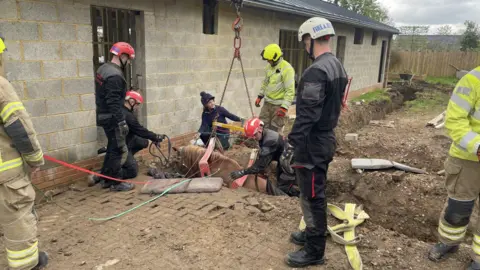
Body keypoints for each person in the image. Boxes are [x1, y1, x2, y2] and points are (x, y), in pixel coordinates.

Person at [279, 17, 348, 267]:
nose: (304, 47)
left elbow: (308, 113)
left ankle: (315, 250)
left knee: (311, 196)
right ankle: (311, 232)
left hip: (312, 143)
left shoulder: (316, 71)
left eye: (304, 42)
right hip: (325, 138)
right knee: (313, 192)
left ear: (309, 39)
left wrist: (291, 143)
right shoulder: (337, 65)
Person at [0, 35, 49, 269]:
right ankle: (28, 265)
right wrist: (35, 160)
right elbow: (19, 128)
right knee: (18, 222)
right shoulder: (0, 86)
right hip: (6, 179)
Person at [428, 66, 480, 270]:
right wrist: (477, 145)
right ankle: (448, 243)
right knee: (458, 207)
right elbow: (455, 119)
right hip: (467, 158)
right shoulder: (473, 80)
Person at [89, 91, 166, 186]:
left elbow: (139, 131)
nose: (138, 107)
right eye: (138, 104)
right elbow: (140, 130)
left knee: (144, 142)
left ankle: (126, 157)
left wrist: (152, 138)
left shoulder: (122, 110)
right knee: (133, 171)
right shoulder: (127, 116)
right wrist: (156, 137)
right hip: (121, 146)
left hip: (126, 140)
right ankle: (107, 175)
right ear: (132, 101)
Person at [95, 42, 136, 192]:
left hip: (103, 115)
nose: (129, 62)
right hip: (112, 117)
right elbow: (113, 101)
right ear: (122, 55)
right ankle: (116, 182)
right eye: (128, 58)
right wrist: (121, 121)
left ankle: (106, 179)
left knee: (112, 146)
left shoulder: (103, 68)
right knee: (118, 149)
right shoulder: (115, 76)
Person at [229, 117, 300, 197]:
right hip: (284, 157)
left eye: (255, 135)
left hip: (290, 160)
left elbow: (260, 166)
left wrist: (242, 172)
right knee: (280, 178)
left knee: (283, 188)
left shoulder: (270, 140)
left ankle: (299, 197)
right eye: (252, 136)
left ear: (260, 130)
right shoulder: (264, 134)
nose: (254, 138)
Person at [255, 43, 295, 135]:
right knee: (261, 126)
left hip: (278, 105)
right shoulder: (269, 67)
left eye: (269, 60)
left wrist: (284, 107)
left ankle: (275, 148)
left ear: (275, 57)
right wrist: (260, 96)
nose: (268, 62)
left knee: (274, 130)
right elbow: (265, 83)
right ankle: (262, 147)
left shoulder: (287, 69)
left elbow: (290, 91)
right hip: (267, 103)